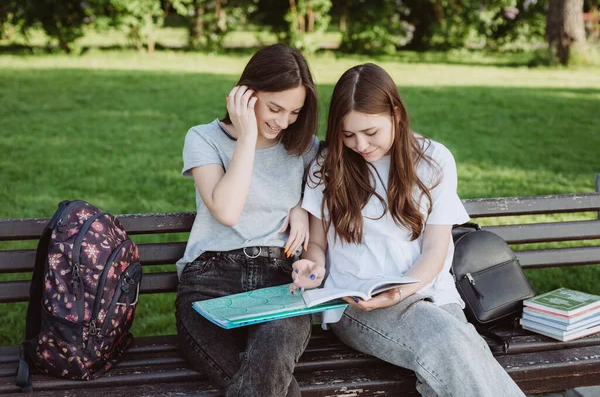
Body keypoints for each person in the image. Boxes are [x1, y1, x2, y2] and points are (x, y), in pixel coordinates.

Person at [292, 63, 526, 397]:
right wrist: (311, 264)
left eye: (371, 132)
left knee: (449, 364)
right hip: (358, 305)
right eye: (348, 134)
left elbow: (435, 251)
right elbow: (316, 243)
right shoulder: (328, 165)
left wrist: (400, 292)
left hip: (432, 296)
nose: (360, 144)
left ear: (397, 114)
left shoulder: (433, 160)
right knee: (451, 345)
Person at [175, 44, 320, 397]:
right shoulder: (204, 138)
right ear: (245, 94)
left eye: (294, 112)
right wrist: (249, 137)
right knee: (279, 387)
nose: (283, 122)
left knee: (270, 364)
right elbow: (226, 211)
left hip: (280, 282)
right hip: (209, 282)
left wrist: (301, 204)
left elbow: (331, 190)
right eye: (274, 108)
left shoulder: (303, 146)